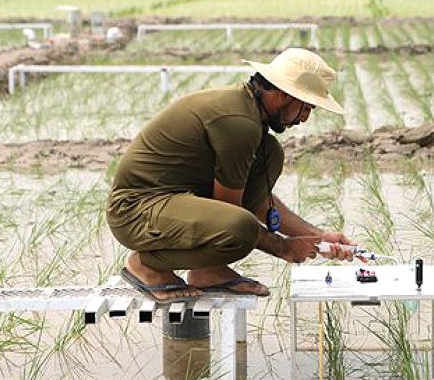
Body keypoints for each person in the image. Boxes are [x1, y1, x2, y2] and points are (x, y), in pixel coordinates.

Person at [107, 48, 357, 301]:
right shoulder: (239, 124)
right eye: (307, 107)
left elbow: (257, 201)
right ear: (284, 95)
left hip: (170, 202)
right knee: (240, 229)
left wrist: (318, 235)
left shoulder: (249, 115)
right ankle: (147, 265)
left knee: (270, 153)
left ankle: (208, 270)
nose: (305, 118)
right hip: (135, 211)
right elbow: (231, 217)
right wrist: (283, 247)